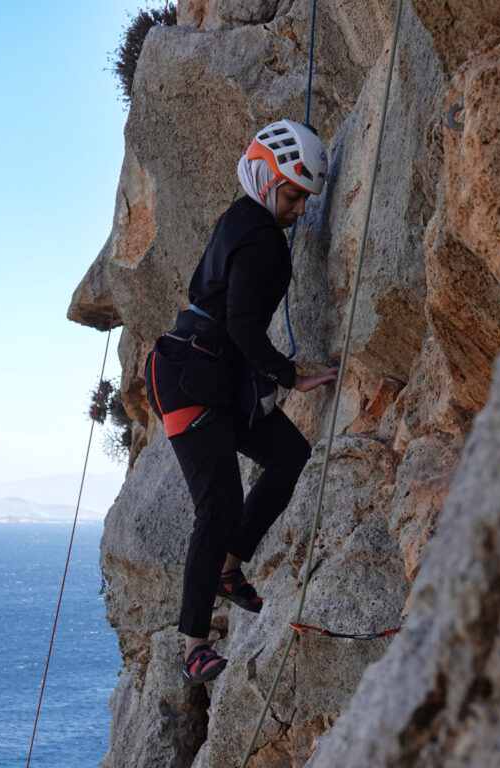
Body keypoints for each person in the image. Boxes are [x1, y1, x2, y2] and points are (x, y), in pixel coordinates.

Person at [145, 119, 339, 685]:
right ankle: (194, 646)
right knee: (219, 508)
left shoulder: (242, 218)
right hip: (191, 380)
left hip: (215, 376)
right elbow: (245, 326)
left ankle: (230, 568)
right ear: (266, 177)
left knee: (287, 456)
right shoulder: (259, 237)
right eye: (295, 195)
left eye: (305, 199)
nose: (300, 210)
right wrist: (291, 377)